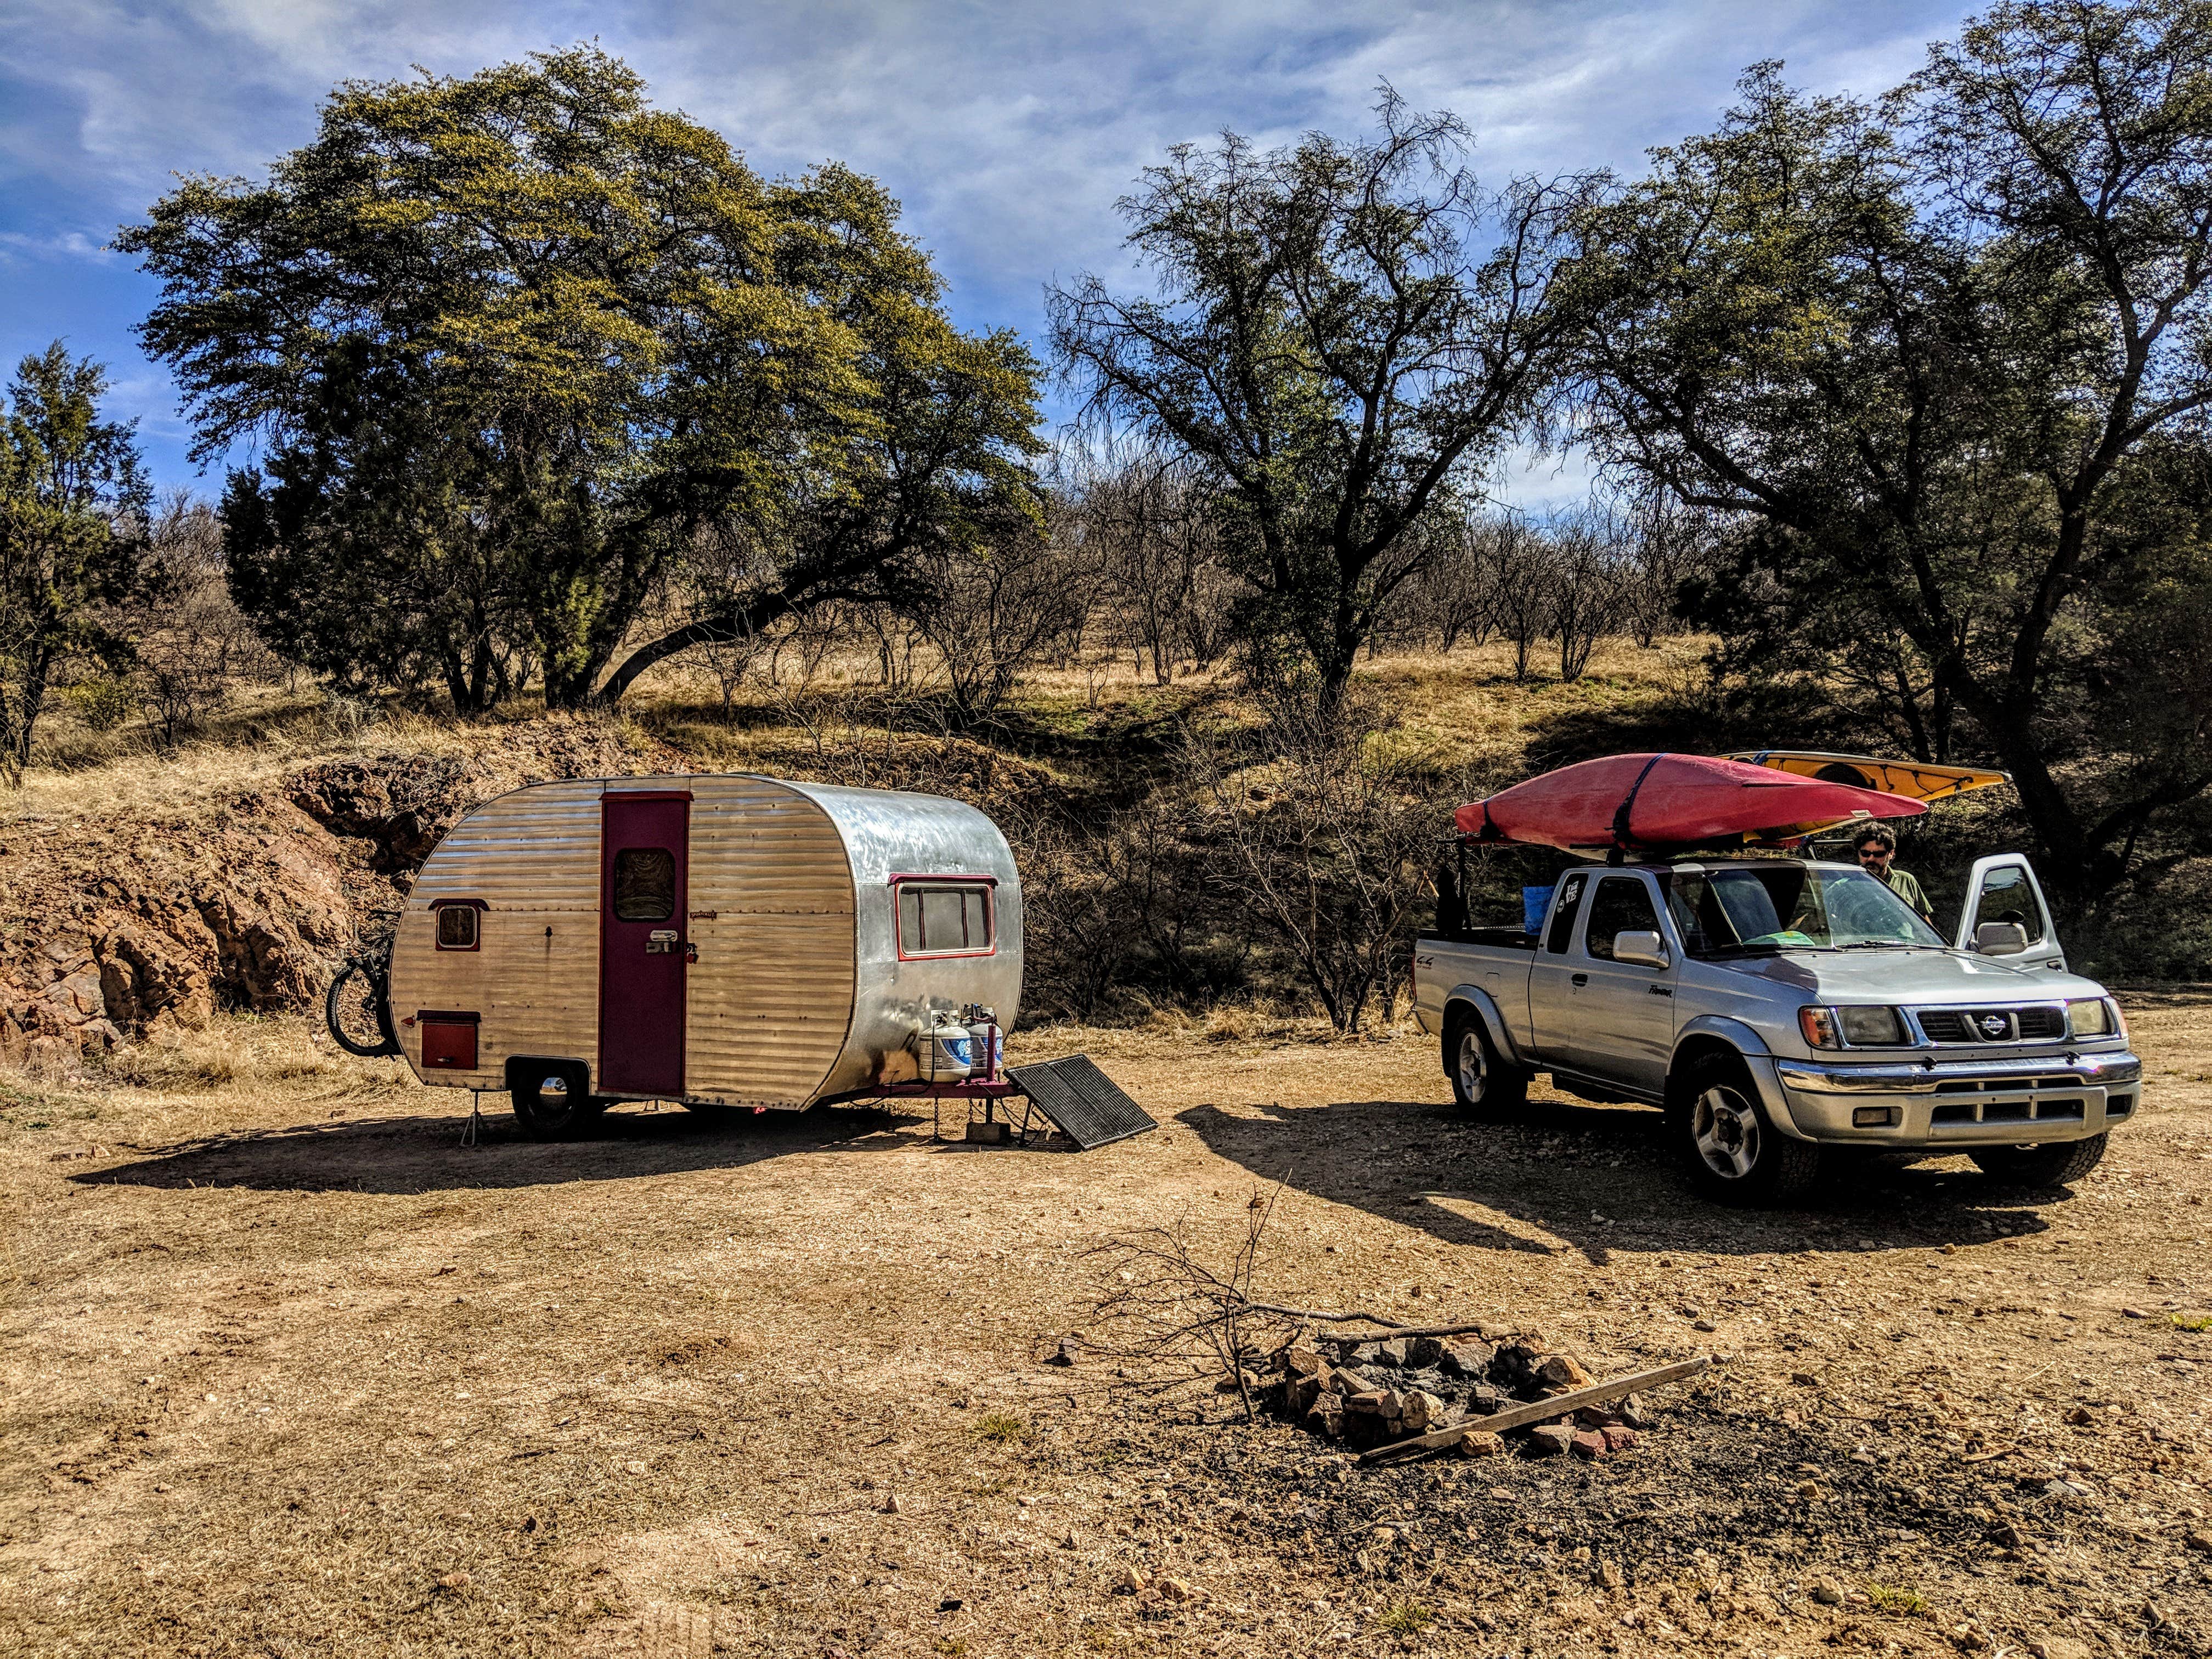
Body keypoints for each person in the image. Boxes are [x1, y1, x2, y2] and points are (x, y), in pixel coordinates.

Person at [1852, 825, 1934, 923]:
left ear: (1891, 854)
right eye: (1865, 853)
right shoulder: (1845, 886)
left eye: (1879, 854)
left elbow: (1924, 921)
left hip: (1905, 939)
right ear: (1859, 853)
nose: (1871, 859)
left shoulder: (1906, 880)